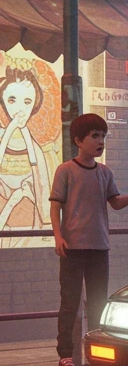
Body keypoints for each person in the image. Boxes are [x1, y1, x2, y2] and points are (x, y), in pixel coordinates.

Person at [49, 113, 128, 366]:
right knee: (70, 302)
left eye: (103, 136)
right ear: (78, 140)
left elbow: (115, 202)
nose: (100, 141)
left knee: (98, 302)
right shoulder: (65, 170)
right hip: (72, 247)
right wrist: (58, 236)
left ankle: (96, 352)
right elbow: (55, 207)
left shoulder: (105, 172)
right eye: (95, 136)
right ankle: (65, 355)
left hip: (99, 246)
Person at [0, 65, 57, 245]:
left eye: (26, 102)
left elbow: (41, 186)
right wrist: (10, 130)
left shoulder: (36, 148)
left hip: (26, 215)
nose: (19, 108)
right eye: (12, 100)